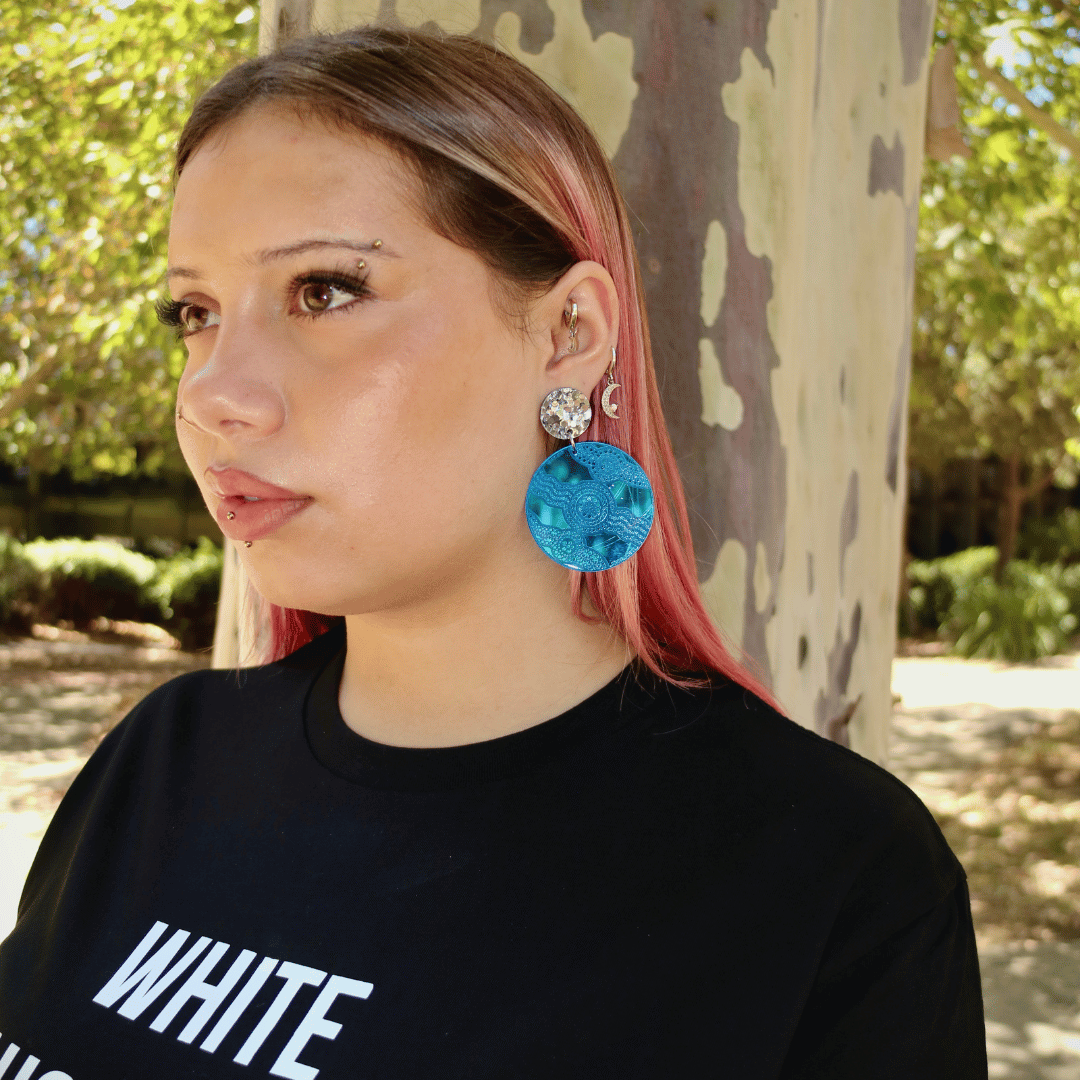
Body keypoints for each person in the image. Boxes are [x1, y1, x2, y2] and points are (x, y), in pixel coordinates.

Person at [0, 27, 987, 1080]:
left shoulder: (831, 877)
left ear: (569, 335)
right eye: (193, 312)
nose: (210, 393)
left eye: (324, 290)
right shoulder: (162, 760)